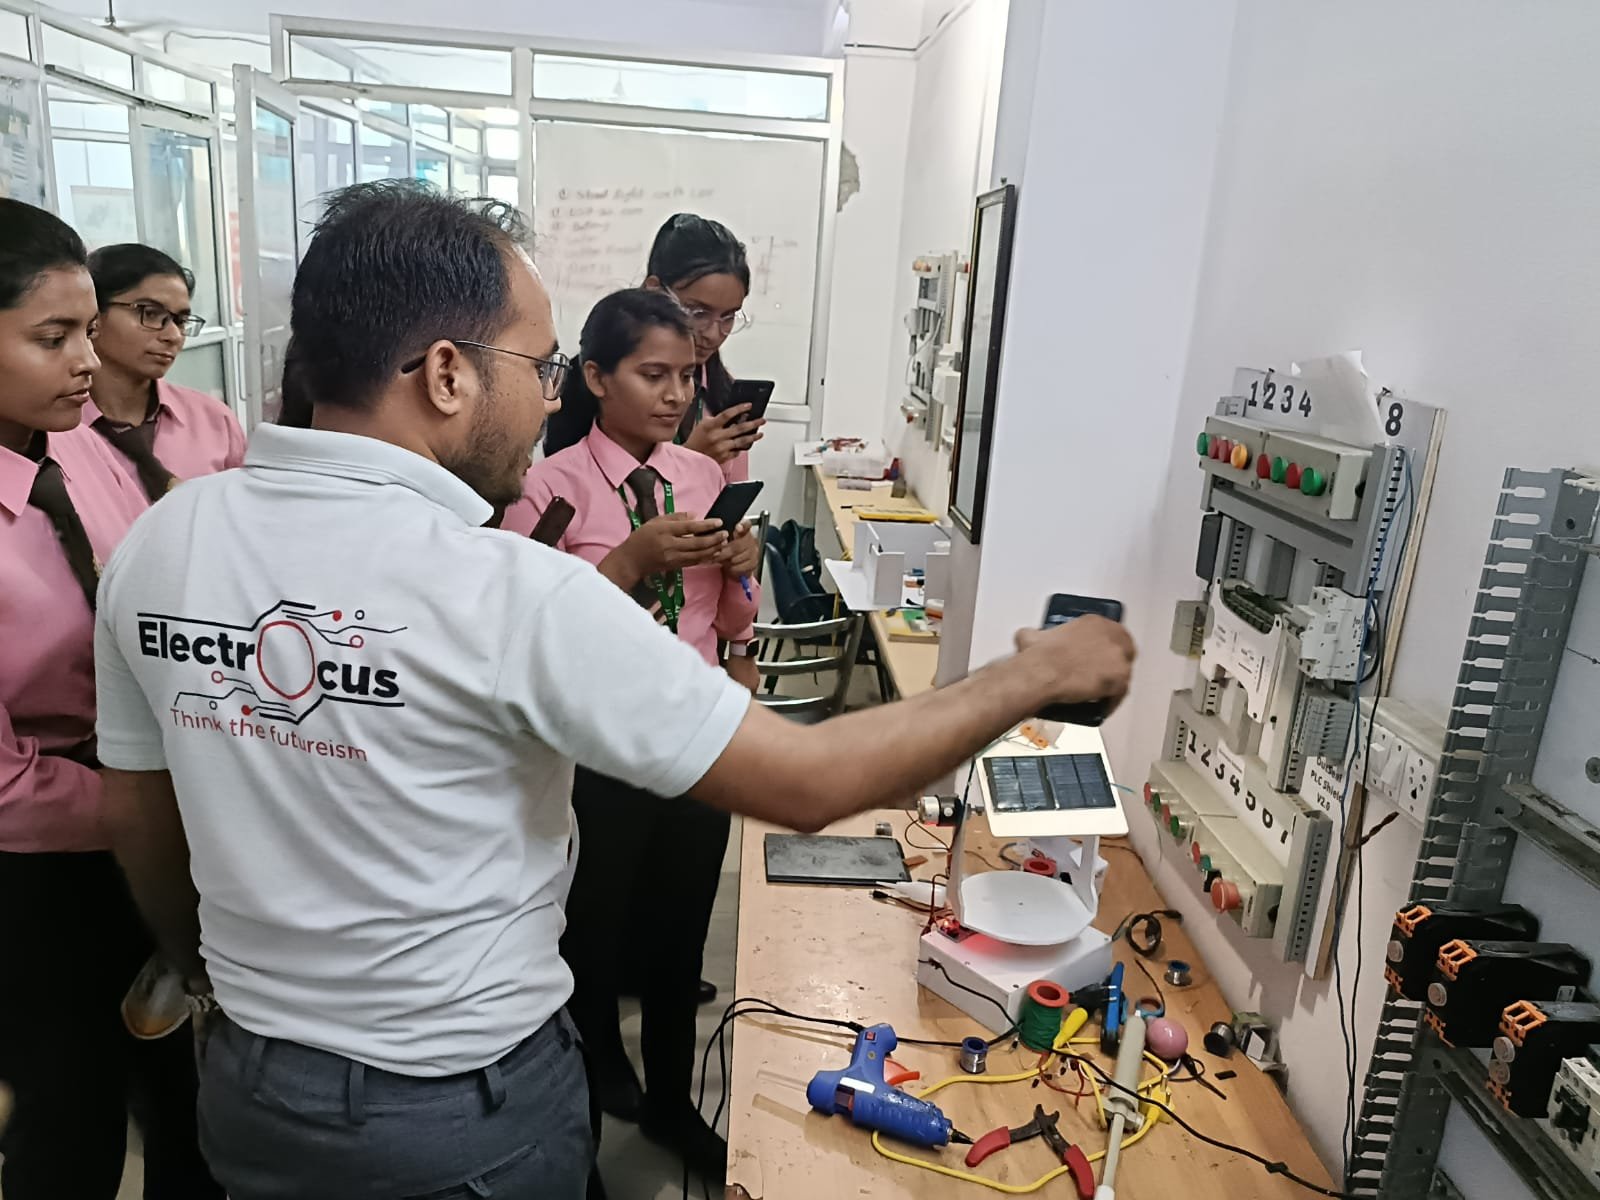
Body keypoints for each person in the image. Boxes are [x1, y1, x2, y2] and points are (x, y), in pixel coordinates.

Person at [91, 180, 1135, 1200]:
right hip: (460, 1114)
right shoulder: (505, 587)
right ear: (447, 373)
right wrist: (1037, 671)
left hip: (249, 1086)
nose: (548, 398)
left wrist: (208, 976)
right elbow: (811, 780)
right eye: (540, 368)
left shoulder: (164, 541)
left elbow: (139, 810)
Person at [502, 288, 762, 1177]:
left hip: (692, 739)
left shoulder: (702, 479)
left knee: (678, 938)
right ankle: (576, 1131)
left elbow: (729, 626)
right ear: (596, 377)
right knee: (589, 944)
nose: (676, 396)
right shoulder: (553, 485)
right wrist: (627, 562)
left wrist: (744, 572)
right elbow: (523, 634)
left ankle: (671, 1105)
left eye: (687, 376)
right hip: (596, 755)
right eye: (653, 375)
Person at [0, 199, 223, 1199]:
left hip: (136, 820)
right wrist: (148, 805)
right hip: (36, 875)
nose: (86, 364)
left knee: (180, 1080)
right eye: (51, 338)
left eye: (86, 333)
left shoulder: (84, 456)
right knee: (71, 1111)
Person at [85, 243, 245, 500]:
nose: (173, 336)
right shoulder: (54, 433)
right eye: (150, 313)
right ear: (93, 315)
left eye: (180, 321)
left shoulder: (214, 421)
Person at [643, 213, 764, 481]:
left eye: (729, 316)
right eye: (697, 312)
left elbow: (731, 493)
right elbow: (596, 507)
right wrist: (692, 459)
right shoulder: (611, 384)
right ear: (655, 291)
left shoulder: (723, 395)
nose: (713, 334)